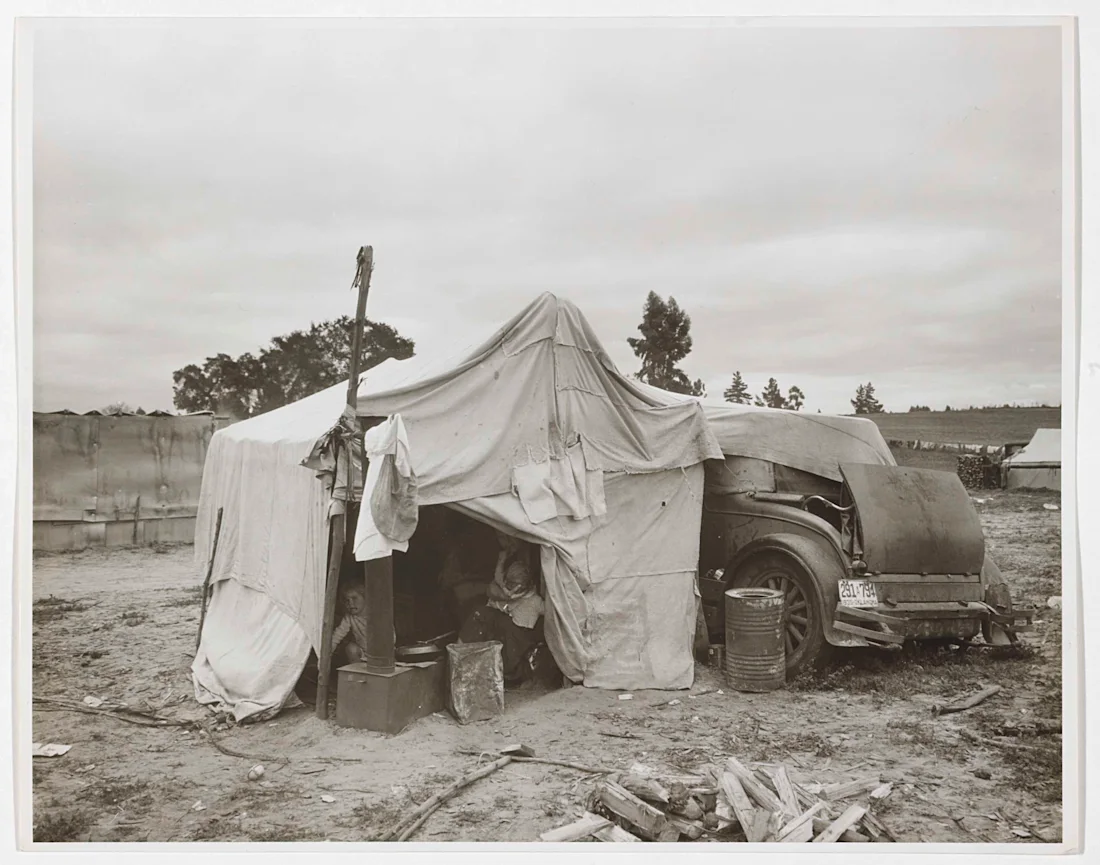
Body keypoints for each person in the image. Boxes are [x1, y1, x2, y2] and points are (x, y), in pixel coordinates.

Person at [458, 531, 550, 685]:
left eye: (513, 585)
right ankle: (458, 655)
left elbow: (553, 612)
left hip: (516, 646)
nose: (509, 587)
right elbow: (495, 584)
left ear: (525, 585)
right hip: (502, 639)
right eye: (508, 583)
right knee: (480, 613)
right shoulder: (502, 592)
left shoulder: (535, 601)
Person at [331, 583, 370, 665]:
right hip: (363, 653)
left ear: (366, 598)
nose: (351, 603)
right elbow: (338, 633)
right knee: (351, 648)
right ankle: (358, 671)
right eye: (347, 600)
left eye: (354, 598)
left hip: (382, 654)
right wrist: (329, 650)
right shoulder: (349, 617)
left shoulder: (376, 615)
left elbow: (390, 638)